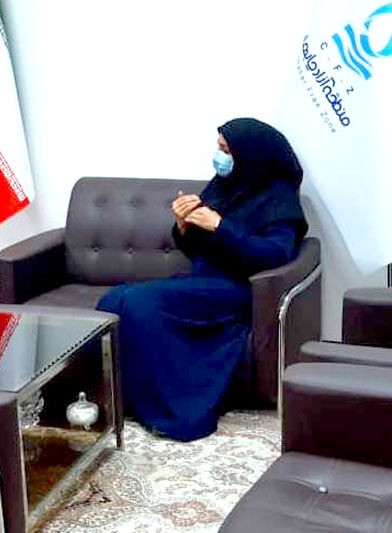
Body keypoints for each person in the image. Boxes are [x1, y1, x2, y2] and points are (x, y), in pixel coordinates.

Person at [96, 117, 308, 441]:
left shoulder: (280, 197)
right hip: (202, 279)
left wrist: (221, 226)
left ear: (250, 155)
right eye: (219, 147)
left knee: (140, 302)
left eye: (227, 150)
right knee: (113, 300)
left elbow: (274, 255)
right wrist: (184, 227)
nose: (220, 156)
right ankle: (125, 400)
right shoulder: (224, 184)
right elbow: (199, 248)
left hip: (237, 288)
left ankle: (174, 409)